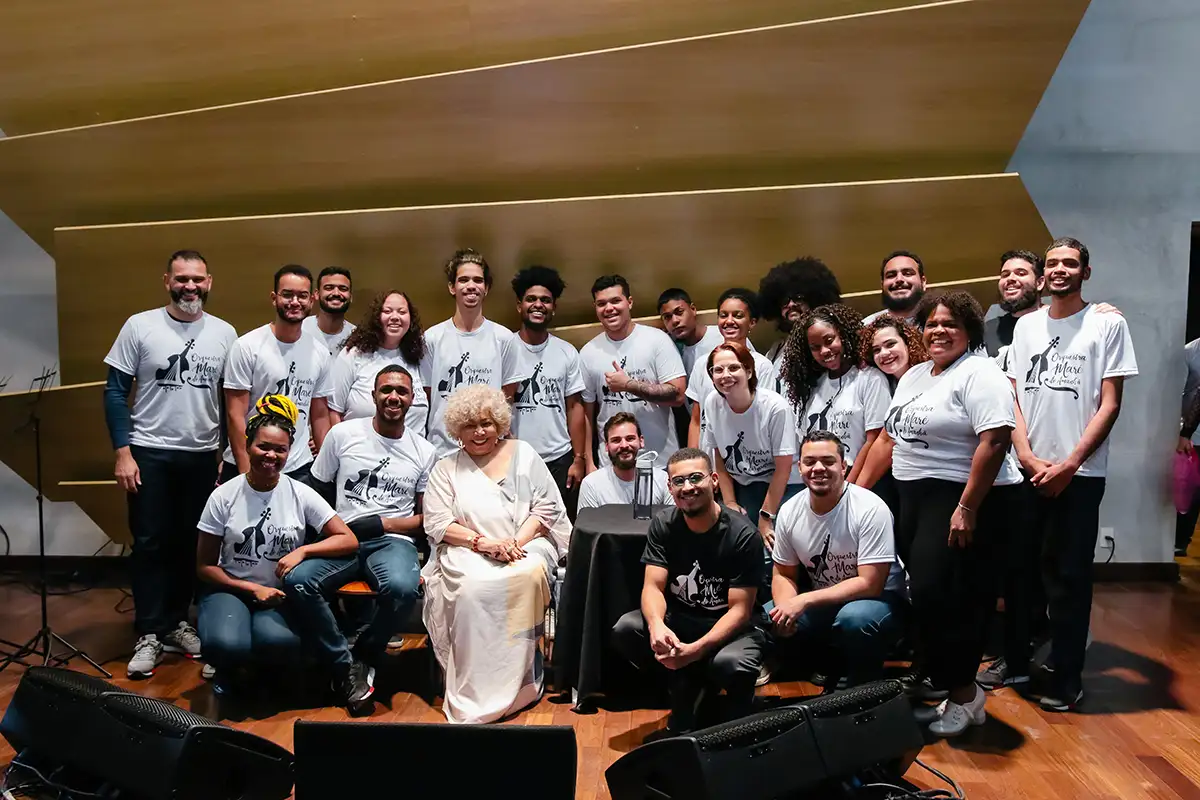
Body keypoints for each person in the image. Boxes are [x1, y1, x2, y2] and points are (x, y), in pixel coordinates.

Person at [856, 290, 1023, 737]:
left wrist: (967, 507)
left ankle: (965, 694)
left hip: (962, 499)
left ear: (969, 330)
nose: (939, 331)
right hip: (915, 499)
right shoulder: (915, 376)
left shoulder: (981, 374)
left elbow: (996, 441)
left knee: (949, 599)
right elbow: (888, 439)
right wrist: (856, 493)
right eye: (932, 323)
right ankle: (955, 688)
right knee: (928, 597)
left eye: (951, 323)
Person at [1008, 237, 1137, 712]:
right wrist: (1027, 457)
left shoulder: (1108, 324)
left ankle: (1066, 679)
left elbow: (1110, 404)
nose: (1060, 269)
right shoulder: (1026, 327)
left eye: (1070, 263)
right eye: (1053, 263)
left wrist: (1069, 464)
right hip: (1028, 471)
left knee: (1068, 579)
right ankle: (1019, 665)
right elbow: (1014, 397)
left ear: (1086, 271)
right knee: (1022, 576)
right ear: (1043, 274)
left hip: (1079, 477)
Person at [104, 249, 237, 678]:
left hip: (201, 456)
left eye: (197, 279)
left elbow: (230, 400)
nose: (189, 286)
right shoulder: (140, 326)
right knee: (150, 543)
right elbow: (114, 391)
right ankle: (148, 631)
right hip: (149, 452)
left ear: (209, 282)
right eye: (181, 279)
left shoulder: (224, 333)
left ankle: (177, 622)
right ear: (167, 281)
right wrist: (123, 452)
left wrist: (225, 453)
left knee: (190, 543)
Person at [284, 366, 435, 712]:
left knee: (402, 589)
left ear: (412, 399)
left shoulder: (424, 451)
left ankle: (364, 654)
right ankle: (343, 664)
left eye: (401, 391)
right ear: (373, 396)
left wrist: (382, 523)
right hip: (342, 537)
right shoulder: (343, 434)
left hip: (392, 541)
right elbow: (317, 491)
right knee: (298, 581)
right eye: (386, 390)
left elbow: (426, 519)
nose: (393, 397)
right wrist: (314, 543)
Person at [421, 385, 572, 724]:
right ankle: (475, 688)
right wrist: (484, 544)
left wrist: (514, 543)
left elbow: (546, 509)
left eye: (486, 423)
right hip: (467, 547)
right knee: (472, 589)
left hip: (527, 542)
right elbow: (439, 524)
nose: (479, 432)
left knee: (527, 574)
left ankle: (520, 683)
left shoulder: (524, 453)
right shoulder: (446, 468)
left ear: (499, 424)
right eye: (470, 425)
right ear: (457, 430)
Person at [195, 398, 361, 702]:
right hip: (231, 589)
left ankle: (258, 673)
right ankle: (228, 670)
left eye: (280, 450)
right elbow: (204, 566)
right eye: (263, 447)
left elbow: (347, 539)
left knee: (279, 642)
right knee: (227, 643)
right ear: (248, 445)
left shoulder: (300, 492)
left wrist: (304, 552)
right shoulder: (223, 496)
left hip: (277, 593)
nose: (271, 455)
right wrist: (251, 589)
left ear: (288, 452)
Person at [612, 448, 767, 738]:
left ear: (714, 481)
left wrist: (695, 650)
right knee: (627, 629)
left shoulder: (743, 535)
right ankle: (686, 685)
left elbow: (740, 610)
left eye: (696, 478)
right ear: (669, 487)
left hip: (733, 629)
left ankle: (731, 705)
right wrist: (657, 626)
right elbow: (653, 587)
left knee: (731, 664)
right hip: (683, 619)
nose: (688, 487)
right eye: (679, 481)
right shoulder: (664, 524)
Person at [770, 432, 906, 688]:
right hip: (828, 600)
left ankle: (864, 691)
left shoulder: (870, 508)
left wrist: (803, 600)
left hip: (881, 600)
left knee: (855, 619)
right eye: (810, 462)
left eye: (828, 461)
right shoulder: (789, 511)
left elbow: (870, 584)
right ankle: (825, 666)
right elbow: (783, 574)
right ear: (799, 467)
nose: (818, 468)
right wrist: (786, 608)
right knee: (770, 615)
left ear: (843, 467)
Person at [222, 264, 333, 483]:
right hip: (251, 464)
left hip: (298, 467)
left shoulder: (319, 352)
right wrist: (247, 475)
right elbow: (235, 416)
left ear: (312, 299)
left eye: (302, 296)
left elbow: (320, 414)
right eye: (287, 295)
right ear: (274, 298)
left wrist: (326, 472)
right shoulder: (247, 346)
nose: (295, 302)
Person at [421, 249, 527, 457]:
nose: (471, 286)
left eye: (478, 280)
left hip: (490, 451)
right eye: (463, 280)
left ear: (486, 288)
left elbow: (507, 396)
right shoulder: (432, 338)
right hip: (443, 451)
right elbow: (428, 394)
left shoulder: (504, 338)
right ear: (452, 287)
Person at [581, 275, 686, 472]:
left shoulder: (657, 340)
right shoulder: (588, 353)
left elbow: (678, 395)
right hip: (611, 466)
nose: (609, 308)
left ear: (629, 302)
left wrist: (629, 385)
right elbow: (587, 413)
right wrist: (588, 461)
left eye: (615, 301)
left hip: (660, 462)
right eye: (601, 304)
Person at [700, 342, 801, 545]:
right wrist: (730, 502)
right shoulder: (712, 403)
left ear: (748, 371)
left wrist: (766, 517)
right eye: (718, 370)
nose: (725, 375)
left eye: (733, 368)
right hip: (746, 483)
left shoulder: (775, 408)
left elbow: (783, 469)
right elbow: (720, 457)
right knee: (740, 541)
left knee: (771, 545)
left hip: (785, 483)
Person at [510, 266, 588, 518]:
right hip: (514, 458)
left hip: (559, 459)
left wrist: (578, 459)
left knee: (561, 527)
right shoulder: (504, 349)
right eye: (531, 299)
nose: (538, 305)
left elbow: (575, 407)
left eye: (545, 300)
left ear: (553, 308)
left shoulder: (566, 352)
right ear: (519, 306)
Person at [781, 304, 890, 483]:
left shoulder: (870, 378)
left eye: (829, 340)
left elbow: (873, 441)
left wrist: (848, 487)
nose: (824, 351)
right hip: (823, 483)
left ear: (843, 335)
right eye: (815, 347)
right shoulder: (813, 386)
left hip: (862, 481)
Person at [684, 288, 777, 447]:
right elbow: (696, 420)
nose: (729, 321)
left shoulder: (762, 366)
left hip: (746, 454)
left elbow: (763, 417)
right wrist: (693, 457)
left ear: (752, 322)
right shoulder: (702, 364)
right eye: (723, 315)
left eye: (738, 315)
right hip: (708, 456)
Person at [328, 290, 429, 435]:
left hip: (412, 448)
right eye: (387, 311)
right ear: (377, 317)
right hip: (360, 446)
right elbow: (333, 410)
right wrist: (338, 444)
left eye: (402, 312)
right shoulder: (354, 354)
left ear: (410, 319)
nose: (395, 317)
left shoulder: (419, 356)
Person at [758, 257, 842, 395]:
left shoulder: (827, 343)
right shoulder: (775, 350)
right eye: (785, 301)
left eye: (798, 298)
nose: (791, 304)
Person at [577, 412, 671, 510]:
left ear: (641, 441)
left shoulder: (663, 480)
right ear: (607, 446)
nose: (624, 445)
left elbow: (673, 518)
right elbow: (586, 520)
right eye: (616, 440)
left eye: (630, 439)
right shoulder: (591, 484)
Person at [984, 250, 1044, 368]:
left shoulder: (1058, 322)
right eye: (1005, 275)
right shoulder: (987, 331)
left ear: (1039, 283)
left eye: (1021, 273)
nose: (1010, 279)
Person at [658, 288, 723, 378]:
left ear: (693, 309)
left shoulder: (722, 336)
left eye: (679, 312)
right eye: (667, 317)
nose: (675, 321)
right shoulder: (670, 350)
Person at [1177, 338, 1200, 556]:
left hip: (1190, 432)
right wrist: (1185, 432)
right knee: (1192, 490)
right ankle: (1181, 540)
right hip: (1194, 437)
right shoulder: (1190, 352)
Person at [862, 251, 927, 325]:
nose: (899, 279)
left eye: (907, 274)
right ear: (882, 285)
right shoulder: (866, 326)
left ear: (923, 282)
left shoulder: (937, 320)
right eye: (891, 275)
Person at [301, 267, 356, 355]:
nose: (336, 293)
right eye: (329, 288)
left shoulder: (356, 337)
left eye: (343, 289)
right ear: (317, 294)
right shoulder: (300, 329)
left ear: (351, 297)